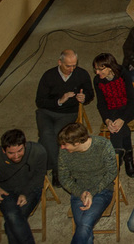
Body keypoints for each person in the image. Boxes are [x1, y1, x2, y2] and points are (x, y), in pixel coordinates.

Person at [35, 49, 94, 187]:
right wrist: (60, 101)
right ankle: (58, 168)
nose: (71, 69)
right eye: (68, 66)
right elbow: (40, 101)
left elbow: (90, 93)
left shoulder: (81, 74)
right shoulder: (48, 76)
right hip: (46, 112)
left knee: (56, 135)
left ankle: (55, 169)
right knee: (45, 134)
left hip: (67, 113)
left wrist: (84, 97)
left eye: (74, 65)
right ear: (59, 62)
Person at [57, 123, 116, 244]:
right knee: (84, 228)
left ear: (77, 143)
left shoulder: (102, 145)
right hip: (79, 190)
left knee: (83, 225)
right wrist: (81, 192)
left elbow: (112, 173)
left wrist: (92, 192)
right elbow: (63, 178)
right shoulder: (64, 153)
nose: (62, 147)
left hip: (102, 189)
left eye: (65, 144)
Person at [0, 129, 47, 244]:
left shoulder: (38, 151)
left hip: (31, 189)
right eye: (11, 153)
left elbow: (39, 177)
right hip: (7, 190)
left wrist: (25, 193)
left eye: (20, 151)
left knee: (12, 223)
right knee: (12, 216)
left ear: (25, 145)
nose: (16, 156)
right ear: (3, 150)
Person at [91, 52, 134, 179]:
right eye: (95, 69)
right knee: (119, 128)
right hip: (112, 110)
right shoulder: (97, 81)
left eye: (100, 69)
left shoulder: (123, 74)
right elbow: (101, 104)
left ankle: (116, 156)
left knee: (118, 125)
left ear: (110, 67)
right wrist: (107, 121)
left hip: (129, 108)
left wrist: (122, 119)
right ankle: (128, 158)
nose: (97, 73)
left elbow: (131, 99)